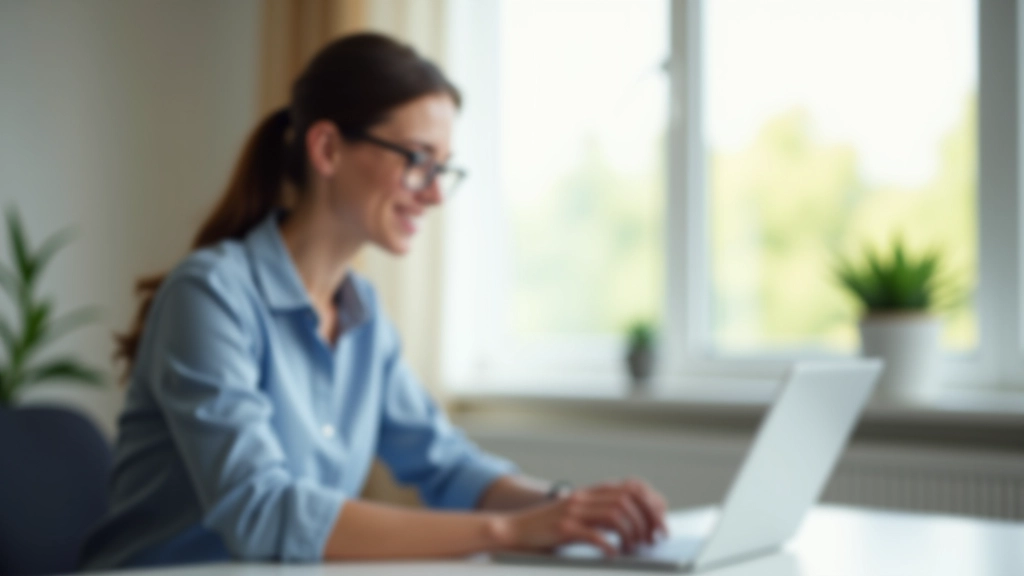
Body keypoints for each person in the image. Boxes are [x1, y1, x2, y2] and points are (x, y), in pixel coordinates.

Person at [80, 33, 668, 569]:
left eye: (444, 169)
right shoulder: (209, 296)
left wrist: (572, 507)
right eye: (417, 160)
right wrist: (507, 531)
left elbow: (443, 464)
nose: (435, 194)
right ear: (328, 149)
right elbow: (259, 509)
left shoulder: (362, 315)